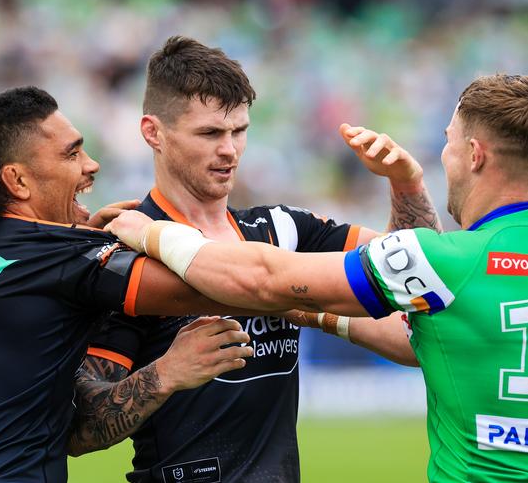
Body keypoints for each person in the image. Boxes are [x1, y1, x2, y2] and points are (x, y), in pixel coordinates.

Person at [108, 74, 528, 482]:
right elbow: (425, 331)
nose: (229, 150)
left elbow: (263, 279)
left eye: (447, 140)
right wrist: (316, 314)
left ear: (475, 155)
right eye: (210, 133)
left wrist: (149, 232)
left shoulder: (450, 259)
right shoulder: (454, 267)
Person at [69, 36, 440, 482]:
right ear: (153, 132)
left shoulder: (283, 229)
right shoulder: (122, 251)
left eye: (239, 131)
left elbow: (413, 274)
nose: (229, 150)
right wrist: (167, 373)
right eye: (209, 133)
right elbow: (80, 429)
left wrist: (406, 184)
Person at [0, 86, 261, 482]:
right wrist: (166, 369)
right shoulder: (48, 254)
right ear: (17, 180)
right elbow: (231, 284)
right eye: (72, 153)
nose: (91, 164)